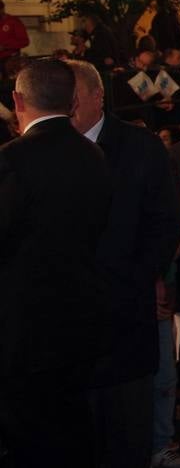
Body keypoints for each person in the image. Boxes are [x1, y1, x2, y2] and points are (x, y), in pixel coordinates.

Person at [67, 59, 180, 467]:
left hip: (127, 319)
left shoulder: (140, 148)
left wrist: (139, 279)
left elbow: (164, 223)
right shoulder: (45, 152)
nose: (65, 109)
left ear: (97, 97)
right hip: (68, 330)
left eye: (73, 99)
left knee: (127, 431)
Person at [0, 59, 113, 467]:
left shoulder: (12, 160)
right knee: (73, 423)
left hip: (22, 326)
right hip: (80, 313)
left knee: (30, 435)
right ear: (71, 102)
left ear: (17, 100)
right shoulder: (93, 156)